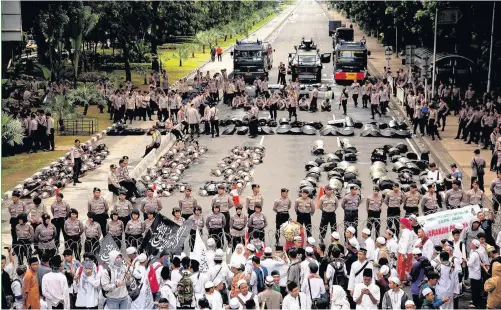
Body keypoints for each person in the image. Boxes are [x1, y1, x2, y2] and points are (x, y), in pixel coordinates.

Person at [468, 239, 485, 309]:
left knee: (474, 290)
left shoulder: (474, 254)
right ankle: (476, 302)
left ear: (474, 245)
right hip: (477, 274)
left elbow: (469, 264)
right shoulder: (477, 252)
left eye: (471, 243)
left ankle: (475, 303)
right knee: (476, 289)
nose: (470, 244)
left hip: (474, 275)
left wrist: (467, 261)